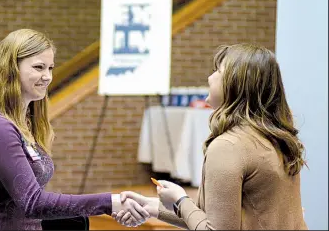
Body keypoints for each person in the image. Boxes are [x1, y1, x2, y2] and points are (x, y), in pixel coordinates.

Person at [0, 29, 149, 230]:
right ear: (11, 69)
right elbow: (33, 202)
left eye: (50, 68)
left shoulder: (26, 123)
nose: (48, 77)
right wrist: (109, 203)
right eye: (39, 67)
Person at [112, 43, 308, 230]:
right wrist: (152, 207)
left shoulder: (229, 146)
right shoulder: (274, 136)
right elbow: (216, 216)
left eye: (218, 71)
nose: (209, 77)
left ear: (235, 86)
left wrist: (180, 199)